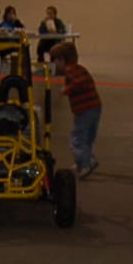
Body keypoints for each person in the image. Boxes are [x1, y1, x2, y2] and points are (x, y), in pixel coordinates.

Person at [48, 40, 102, 179]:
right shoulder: (79, 69)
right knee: (87, 139)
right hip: (94, 108)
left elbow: (79, 82)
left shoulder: (70, 71)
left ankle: (84, 165)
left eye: (55, 61)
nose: (54, 65)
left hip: (84, 110)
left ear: (61, 60)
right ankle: (85, 160)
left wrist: (66, 90)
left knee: (77, 139)